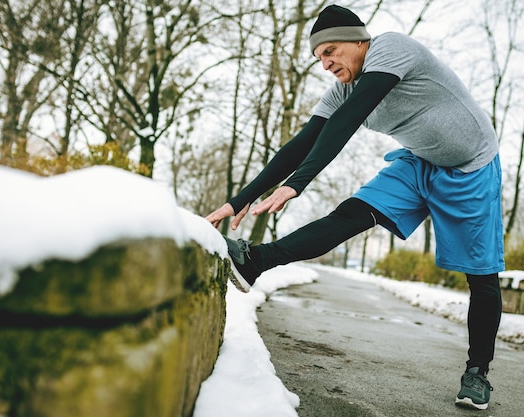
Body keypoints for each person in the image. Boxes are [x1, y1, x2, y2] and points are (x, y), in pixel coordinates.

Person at [206, 4, 503, 411]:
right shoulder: (343, 88)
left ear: (358, 39)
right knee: (352, 213)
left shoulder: (392, 48)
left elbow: (348, 120)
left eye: (330, 52)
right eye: (319, 58)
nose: (326, 64)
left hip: (473, 166)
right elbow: (301, 143)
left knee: (481, 276)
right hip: (419, 165)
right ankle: (256, 261)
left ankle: (478, 373)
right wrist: (237, 200)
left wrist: (297, 184)